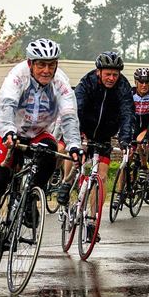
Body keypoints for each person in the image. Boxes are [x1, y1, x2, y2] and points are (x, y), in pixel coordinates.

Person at [0, 38, 82, 272]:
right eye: (41, 64)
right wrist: (8, 132)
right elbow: (6, 105)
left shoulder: (61, 82)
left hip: (39, 132)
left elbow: (69, 115)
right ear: (30, 63)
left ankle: (31, 197)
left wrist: (74, 144)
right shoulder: (17, 76)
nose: (46, 70)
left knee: (50, 153)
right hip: (7, 129)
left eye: (51, 65)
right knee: (0, 178)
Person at [56, 51, 134, 238]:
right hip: (83, 129)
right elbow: (77, 108)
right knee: (75, 155)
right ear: (99, 71)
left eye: (115, 75)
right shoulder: (87, 82)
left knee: (101, 177)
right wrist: (78, 135)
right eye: (108, 74)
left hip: (104, 135)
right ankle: (66, 182)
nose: (111, 78)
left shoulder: (123, 86)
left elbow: (127, 114)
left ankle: (91, 220)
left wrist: (125, 139)